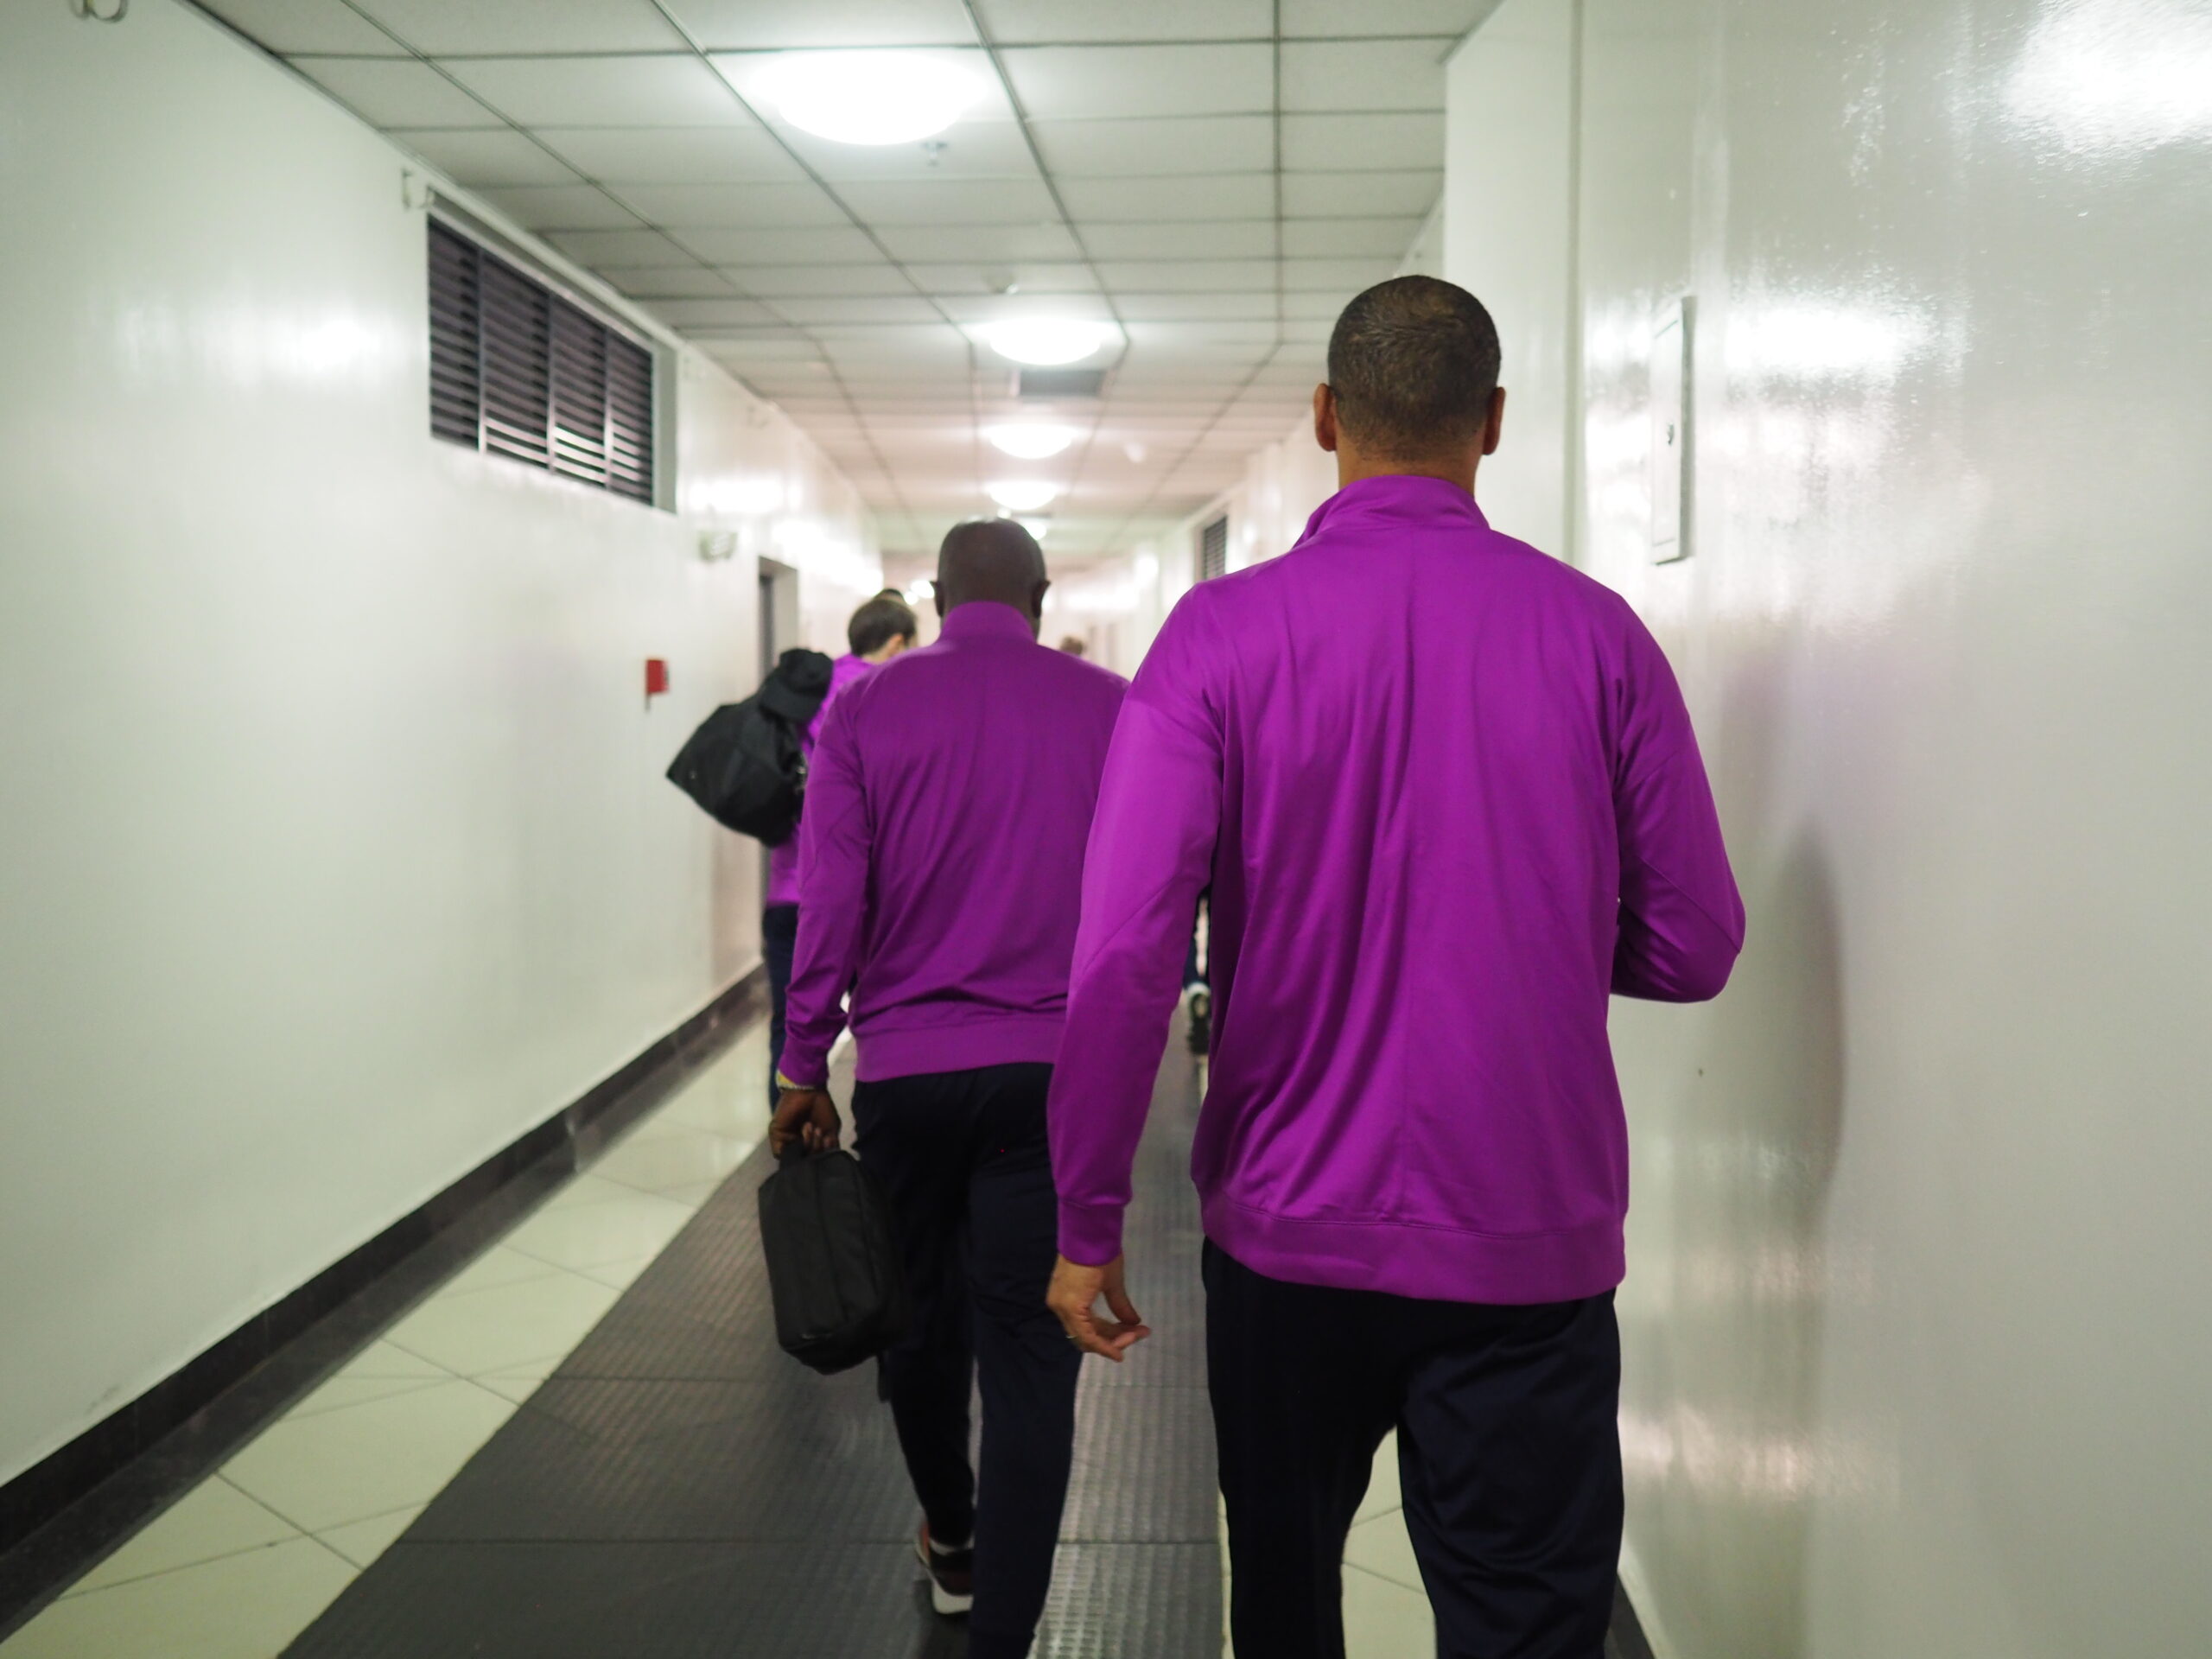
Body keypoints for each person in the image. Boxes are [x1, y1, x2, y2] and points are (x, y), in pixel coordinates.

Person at [1044, 276, 1744, 1659]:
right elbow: (1694, 942)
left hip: (1286, 1235)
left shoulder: (1219, 638)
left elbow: (1126, 953)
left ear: (1324, 417)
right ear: (1493, 420)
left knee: (1286, 1605)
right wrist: (1531, 930)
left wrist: (1088, 1212)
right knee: (1528, 1625)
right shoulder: (1598, 634)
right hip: (1527, 1235)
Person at [772, 520, 1128, 1659]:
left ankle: (957, 1541)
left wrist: (802, 1059)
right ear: (1041, 594)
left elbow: (831, 896)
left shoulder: (864, 710)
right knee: (1032, 1355)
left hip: (909, 1077)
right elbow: (1148, 894)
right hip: (1051, 1081)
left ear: (932, 595)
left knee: (917, 1327)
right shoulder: (1113, 706)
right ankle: (1005, 1636)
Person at [760, 593, 916, 1107]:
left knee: (788, 1024)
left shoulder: (806, 691)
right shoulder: (885, 698)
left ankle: (790, 1125)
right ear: (897, 644)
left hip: (787, 889)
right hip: (865, 899)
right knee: (885, 1021)